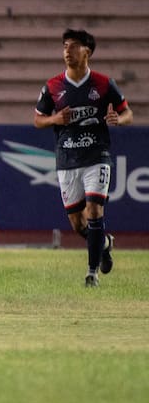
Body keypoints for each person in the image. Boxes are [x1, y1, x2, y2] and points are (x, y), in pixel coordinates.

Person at [34, 28, 133, 287]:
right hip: (67, 157)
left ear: (87, 52)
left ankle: (92, 274)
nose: (67, 50)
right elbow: (37, 119)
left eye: (74, 46)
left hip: (96, 154)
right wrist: (56, 119)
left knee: (94, 210)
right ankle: (105, 243)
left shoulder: (103, 83)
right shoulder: (52, 86)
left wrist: (118, 119)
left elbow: (128, 113)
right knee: (78, 224)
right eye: (65, 45)